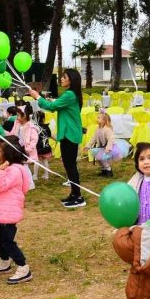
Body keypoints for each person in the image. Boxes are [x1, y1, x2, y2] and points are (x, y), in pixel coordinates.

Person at [0, 135, 33, 285]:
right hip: (2, 212)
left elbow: (1, 186)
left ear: (8, 153)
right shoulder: (5, 169)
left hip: (9, 213)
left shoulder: (14, 170)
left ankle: (23, 267)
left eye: (0, 150)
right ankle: (4, 261)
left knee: (7, 241)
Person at [30, 69, 84, 209]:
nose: (61, 79)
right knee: (69, 165)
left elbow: (51, 107)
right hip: (69, 134)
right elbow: (56, 104)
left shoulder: (69, 94)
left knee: (70, 166)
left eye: (64, 77)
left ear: (70, 80)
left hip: (69, 134)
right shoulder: (71, 94)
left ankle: (78, 196)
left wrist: (37, 97)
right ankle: (74, 193)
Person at [128, 143, 150, 224]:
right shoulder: (136, 182)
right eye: (142, 159)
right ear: (137, 164)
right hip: (139, 228)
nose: (146, 162)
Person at [87, 112, 128, 177]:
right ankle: (104, 170)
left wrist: (108, 148)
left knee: (103, 159)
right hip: (102, 147)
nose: (97, 119)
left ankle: (109, 171)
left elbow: (111, 139)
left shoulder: (107, 129)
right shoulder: (98, 128)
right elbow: (93, 138)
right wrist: (88, 146)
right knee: (99, 159)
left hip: (109, 147)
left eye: (99, 118)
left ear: (104, 120)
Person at [10, 101, 39, 179]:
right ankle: (22, 180)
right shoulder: (17, 123)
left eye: (18, 115)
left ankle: (29, 182)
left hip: (26, 150)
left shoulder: (31, 127)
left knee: (25, 167)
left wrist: (28, 149)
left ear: (24, 116)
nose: (17, 117)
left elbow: (34, 140)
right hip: (17, 148)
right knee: (19, 166)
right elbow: (12, 133)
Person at [35, 111, 54, 180]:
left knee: (36, 161)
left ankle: (35, 175)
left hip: (38, 148)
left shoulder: (34, 127)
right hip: (46, 147)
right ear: (43, 118)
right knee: (45, 160)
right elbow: (50, 135)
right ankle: (46, 175)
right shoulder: (46, 127)